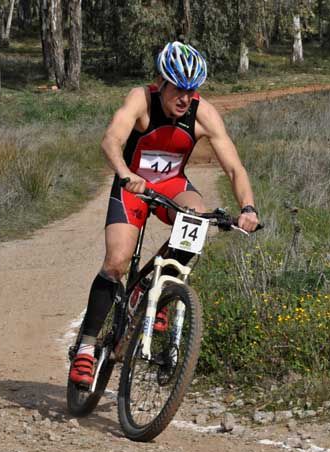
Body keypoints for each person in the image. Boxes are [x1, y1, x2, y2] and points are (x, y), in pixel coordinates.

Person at [69, 41, 260, 387]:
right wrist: (125, 174)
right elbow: (111, 140)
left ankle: (153, 291)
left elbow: (234, 167)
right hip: (134, 186)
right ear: (161, 82)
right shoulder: (140, 100)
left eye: (191, 90)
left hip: (171, 185)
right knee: (116, 262)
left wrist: (248, 207)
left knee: (198, 214)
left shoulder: (203, 113)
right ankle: (84, 347)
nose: (184, 98)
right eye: (177, 88)